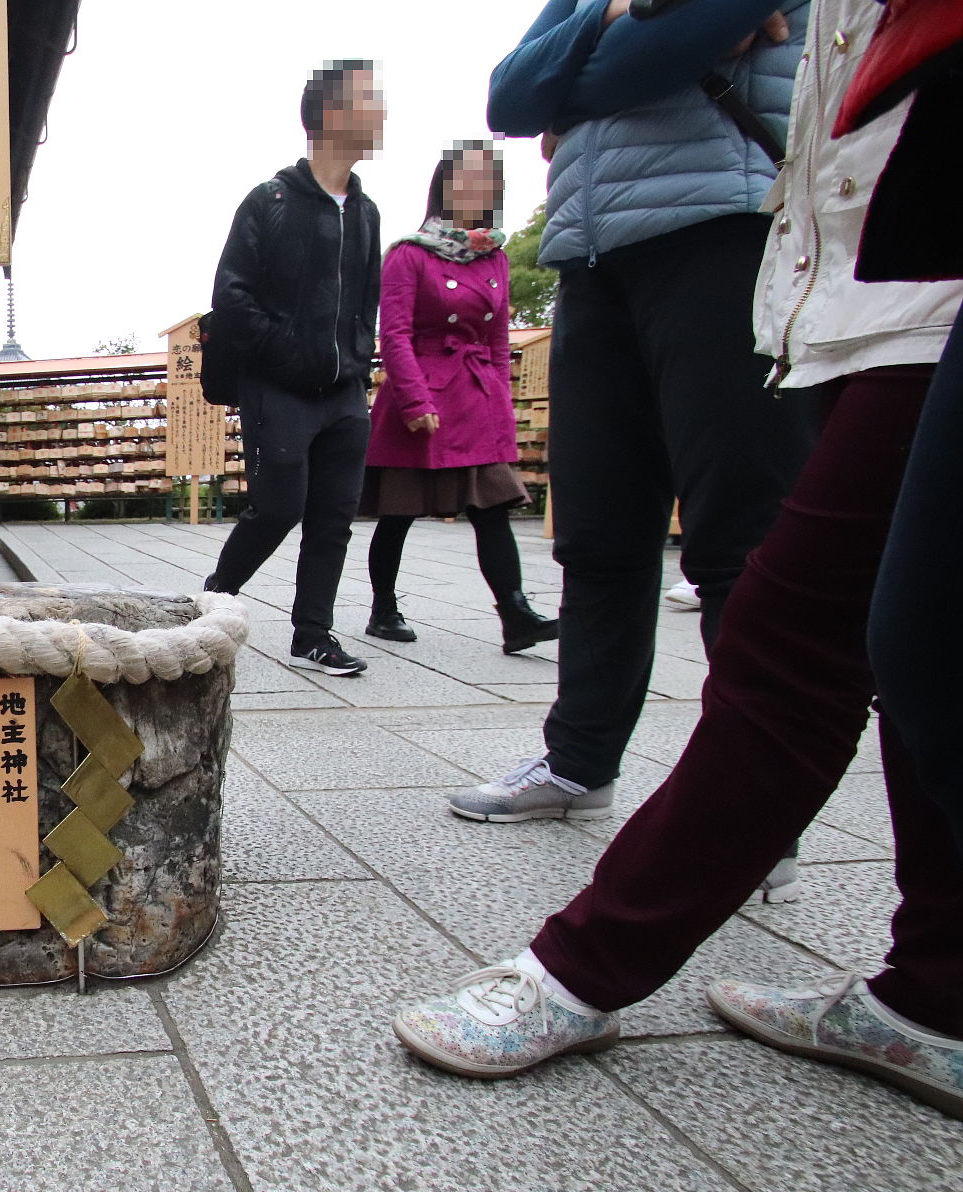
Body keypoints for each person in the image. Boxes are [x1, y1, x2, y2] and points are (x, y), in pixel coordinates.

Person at [391, 0, 963, 1125]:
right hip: (842, 283)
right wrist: (606, 26)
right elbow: (515, 92)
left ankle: (587, 964)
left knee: (789, 621)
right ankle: (934, 993)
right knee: (908, 639)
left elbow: (668, 43)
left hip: (866, 276)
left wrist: (600, 55)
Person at [446, 0, 816, 822]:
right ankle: (579, 762)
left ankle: (759, 802)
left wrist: (578, 80)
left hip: (726, 230)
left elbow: (654, 54)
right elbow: (509, 97)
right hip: (593, 254)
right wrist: (614, 15)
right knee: (599, 535)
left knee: (739, 538)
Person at [204, 60, 384, 677]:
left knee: (333, 520)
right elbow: (230, 296)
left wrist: (358, 360)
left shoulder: (366, 211)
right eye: (368, 100)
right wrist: (287, 351)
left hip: (345, 393)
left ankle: (313, 635)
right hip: (278, 388)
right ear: (329, 116)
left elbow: (367, 303)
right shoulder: (271, 201)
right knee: (277, 509)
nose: (380, 112)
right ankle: (210, 605)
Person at [359, 142, 558, 654]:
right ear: (445, 186)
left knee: (491, 505)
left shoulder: (496, 256)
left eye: (489, 180)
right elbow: (395, 335)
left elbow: (495, 339)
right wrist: (415, 401)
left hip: (476, 397)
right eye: (468, 177)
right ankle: (383, 609)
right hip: (419, 394)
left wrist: (502, 407)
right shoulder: (409, 252)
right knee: (398, 511)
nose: (479, 188)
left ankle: (515, 613)